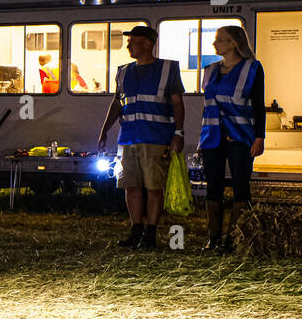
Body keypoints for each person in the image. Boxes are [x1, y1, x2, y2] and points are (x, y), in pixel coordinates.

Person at [97, 25, 185, 250]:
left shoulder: (167, 69)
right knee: (130, 186)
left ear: (147, 43)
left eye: (133, 41)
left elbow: (177, 102)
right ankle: (136, 231)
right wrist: (105, 129)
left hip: (156, 138)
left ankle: (150, 234)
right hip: (128, 138)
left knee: (154, 187)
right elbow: (117, 102)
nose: (128, 45)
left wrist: (178, 132)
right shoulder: (124, 71)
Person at [199, 26, 265, 251]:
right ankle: (214, 238)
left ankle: (236, 237)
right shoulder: (209, 70)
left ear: (235, 43)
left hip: (241, 136)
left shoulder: (252, 68)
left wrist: (260, 137)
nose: (214, 44)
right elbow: (207, 107)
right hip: (212, 137)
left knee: (240, 187)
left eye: (220, 40)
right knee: (213, 186)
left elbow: (258, 105)